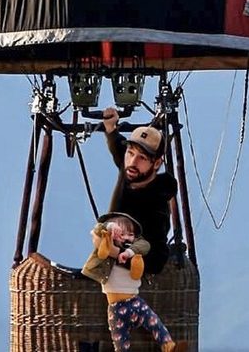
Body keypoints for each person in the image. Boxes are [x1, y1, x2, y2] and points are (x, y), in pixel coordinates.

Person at [82, 212, 179, 352]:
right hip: (116, 307)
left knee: (154, 322)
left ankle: (168, 345)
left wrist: (129, 252)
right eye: (122, 234)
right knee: (120, 341)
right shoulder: (105, 251)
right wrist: (109, 227)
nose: (127, 237)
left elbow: (144, 245)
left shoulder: (133, 252)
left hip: (135, 301)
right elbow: (97, 230)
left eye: (131, 234)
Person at [102, 107, 178, 275]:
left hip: (132, 275)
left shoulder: (156, 206)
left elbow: (156, 260)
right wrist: (110, 127)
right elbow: (118, 147)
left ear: (156, 163)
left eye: (142, 157)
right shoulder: (130, 168)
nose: (133, 162)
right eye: (130, 153)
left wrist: (116, 254)